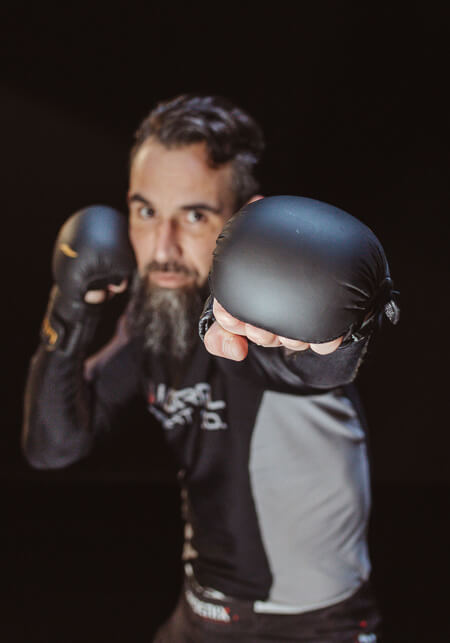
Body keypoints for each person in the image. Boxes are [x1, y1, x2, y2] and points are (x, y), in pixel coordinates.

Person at [22, 94, 396, 642]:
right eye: (146, 212)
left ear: (245, 220)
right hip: (202, 612)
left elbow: (314, 370)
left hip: (312, 627)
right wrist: (68, 312)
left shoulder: (256, 318)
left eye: (194, 215)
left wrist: (333, 333)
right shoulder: (148, 324)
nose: (163, 247)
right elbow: (54, 446)